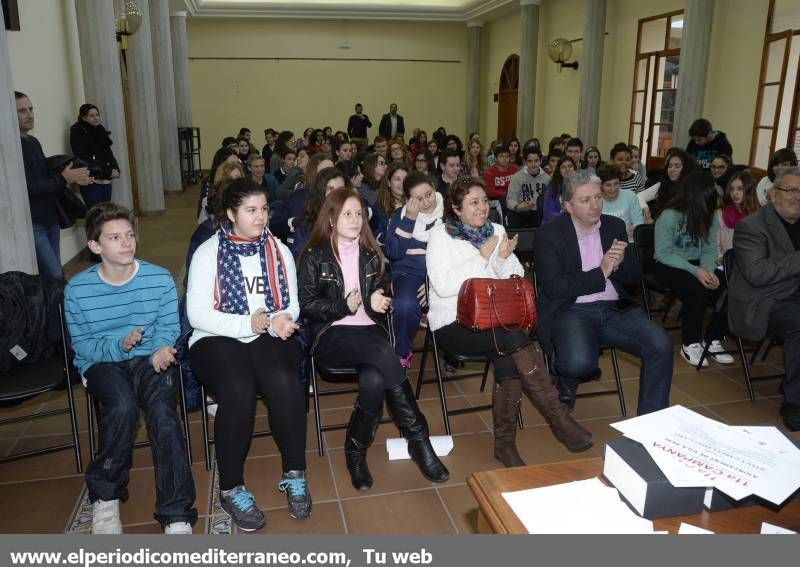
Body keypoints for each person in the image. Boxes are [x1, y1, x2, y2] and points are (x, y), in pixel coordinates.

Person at [426, 176, 593, 467]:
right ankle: (558, 418)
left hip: (495, 319)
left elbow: (515, 278)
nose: (482, 208)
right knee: (514, 341)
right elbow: (442, 286)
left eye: (484, 201)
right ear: (455, 208)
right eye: (473, 203)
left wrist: (502, 260)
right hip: (453, 322)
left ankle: (505, 446)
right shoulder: (441, 236)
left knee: (508, 356)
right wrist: (481, 257)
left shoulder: (498, 229)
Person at [299, 188, 449, 489]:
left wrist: (378, 298)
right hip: (332, 334)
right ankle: (419, 439)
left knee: (374, 381)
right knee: (384, 352)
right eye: (347, 214)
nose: (355, 220)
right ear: (331, 218)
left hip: (369, 333)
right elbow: (307, 306)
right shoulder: (314, 255)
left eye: (359, 214)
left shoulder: (371, 254)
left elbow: (381, 290)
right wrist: (344, 306)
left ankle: (355, 452)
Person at [64, 203, 197, 534]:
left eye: (129, 234)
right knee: (122, 407)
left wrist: (159, 351)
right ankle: (105, 497)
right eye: (114, 237)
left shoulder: (158, 278)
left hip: (148, 358)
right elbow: (82, 346)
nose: (126, 243)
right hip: (102, 361)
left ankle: (176, 512)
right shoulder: (77, 290)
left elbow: (168, 328)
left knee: (163, 414)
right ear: (95, 246)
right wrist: (119, 345)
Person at [187, 178, 310, 531]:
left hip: (266, 331)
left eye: (264, 209)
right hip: (215, 336)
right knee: (238, 389)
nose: (260, 217)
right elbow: (198, 315)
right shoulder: (209, 252)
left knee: (285, 383)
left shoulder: (279, 251)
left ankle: (295, 473)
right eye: (251, 210)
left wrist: (278, 320)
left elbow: (292, 304)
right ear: (230, 213)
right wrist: (251, 323)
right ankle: (230, 486)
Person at [533, 169, 674, 416]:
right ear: (568, 205)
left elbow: (632, 276)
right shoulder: (549, 234)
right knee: (579, 363)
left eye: (597, 197)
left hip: (613, 308)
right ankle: (566, 375)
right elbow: (554, 287)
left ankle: (652, 422)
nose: (595, 205)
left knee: (660, 344)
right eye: (585, 200)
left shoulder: (614, 226)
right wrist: (601, 272)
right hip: (571, 309)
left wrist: (617, 267)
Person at [729, 166, 800, 431]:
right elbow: (757, 273)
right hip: (764, 299)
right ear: (772, 193)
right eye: (791, 190)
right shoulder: (752, 226)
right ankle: (794, 402)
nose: (797, 197)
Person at [654, 171, 733, 366]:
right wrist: (696, 271)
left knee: (728, 286)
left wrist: (708, 270)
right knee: (697, 289)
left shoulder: (710, 216)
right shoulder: (669, 215)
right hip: (668, 264)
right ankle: (690, 344)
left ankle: (713, 338)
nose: (711, 202)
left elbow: (708, 250)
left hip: (697, 264)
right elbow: (663, 253)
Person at [17, 91, 92, 279]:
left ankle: (55, 308)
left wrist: (73, 176)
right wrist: (64, 179)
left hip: (50, 218)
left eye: (31, 109)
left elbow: (46, 176)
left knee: (54, 275)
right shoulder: (12, 146)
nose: (30, 114)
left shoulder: (32, 141)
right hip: (33, 223)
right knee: (54, 274)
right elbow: (29, 187)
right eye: (22, 111)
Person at [385, 172, 443, 367]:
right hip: (408, 273)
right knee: (405, 305)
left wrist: (433, 285)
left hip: (440, 275)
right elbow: (394, 253)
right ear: (408, 200)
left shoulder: (449, 213)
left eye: (429, 194)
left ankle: (450, 352)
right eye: (418, 199)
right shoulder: (399, 216)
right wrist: (409, 219)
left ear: (434, 188)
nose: (426, 203)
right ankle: (402, 351)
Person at [69, 103, 120, 209]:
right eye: (91, 116)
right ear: (83, 117)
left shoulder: (100, 129)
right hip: (91, 181)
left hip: (106, 179)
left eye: (97, 115)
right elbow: (84, 158)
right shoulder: (77, 132)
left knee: (105, 213)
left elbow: (108, 153)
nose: (96, 118)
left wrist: (115, 168)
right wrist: (108, 171)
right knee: (95, 214)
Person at [637, 148, 695, 222]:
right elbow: (639, 196)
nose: (672, 169)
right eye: (670, 166)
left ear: (686, 168)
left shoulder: (693, 188)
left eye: (677, 166)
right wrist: (645, 208)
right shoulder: (662, 185)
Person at [716, 170, 759, 262]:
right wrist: (720, 257)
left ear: (749, 190)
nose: (734, 193)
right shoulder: (721, 212)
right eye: (732, 189)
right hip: (724, 263)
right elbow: (716, 244)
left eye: (740, 189)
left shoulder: (758, 217)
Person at [506, 147, 550, 228]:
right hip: (522, 212)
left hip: (540, 213)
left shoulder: (547, 178)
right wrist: (517, 207)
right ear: (525, 162)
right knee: (511, 215)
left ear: (540, 161)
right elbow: (510, 199)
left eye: (536, 161)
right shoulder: (517, 177)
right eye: (530, 161)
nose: (533, 164)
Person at [597, 164, 643, 240]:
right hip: (603, 242)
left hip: (628, 241)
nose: (613, 189)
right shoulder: (596, 200)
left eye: (616, 184)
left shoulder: (630, 196)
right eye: (608, 185)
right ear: (601, 186)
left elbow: (638, 223)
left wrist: (635, 229)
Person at [484, 143, 519, 215]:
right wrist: (507, 194)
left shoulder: (514, 169)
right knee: (503, 201)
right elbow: (491, 192)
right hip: (497, 199)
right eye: (501, 156)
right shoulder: (489, 172)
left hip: (513, 196)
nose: (504, 159)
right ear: (496, 158)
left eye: (507, 156)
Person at [542, 156, 576, 223]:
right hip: (554, 224)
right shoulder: (552, 188)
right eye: (563, 167)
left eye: (570, 166)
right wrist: (566, 214)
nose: (567, 169)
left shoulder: (581, 187)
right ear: (559, 171)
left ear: (575, 168)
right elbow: (548, 214)